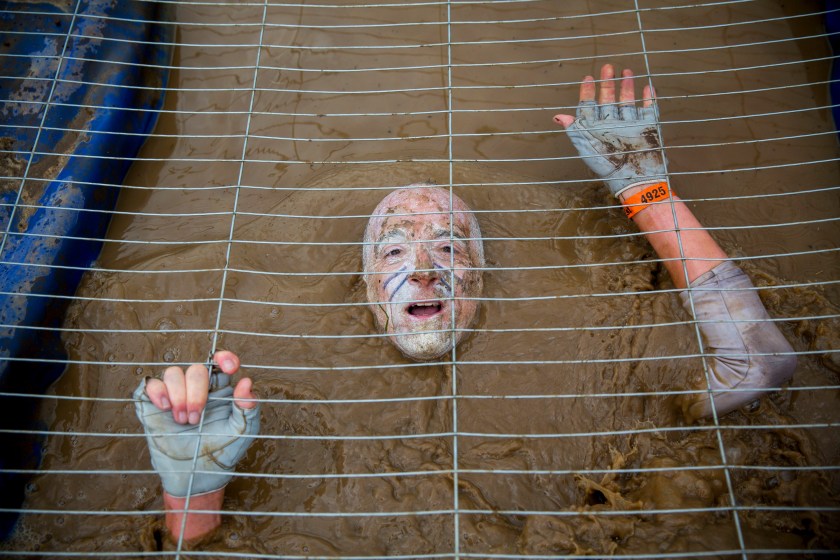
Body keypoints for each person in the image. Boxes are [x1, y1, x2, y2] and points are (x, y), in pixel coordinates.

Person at [133, 64, 797, 543]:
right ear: (365, 293)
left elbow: (758, 366)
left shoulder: (600, 372)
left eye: (450, 249)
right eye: (393, 254)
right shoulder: (276, 401)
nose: (423, 269)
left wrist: (648, 192)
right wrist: (193, 493)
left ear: (483, 279)